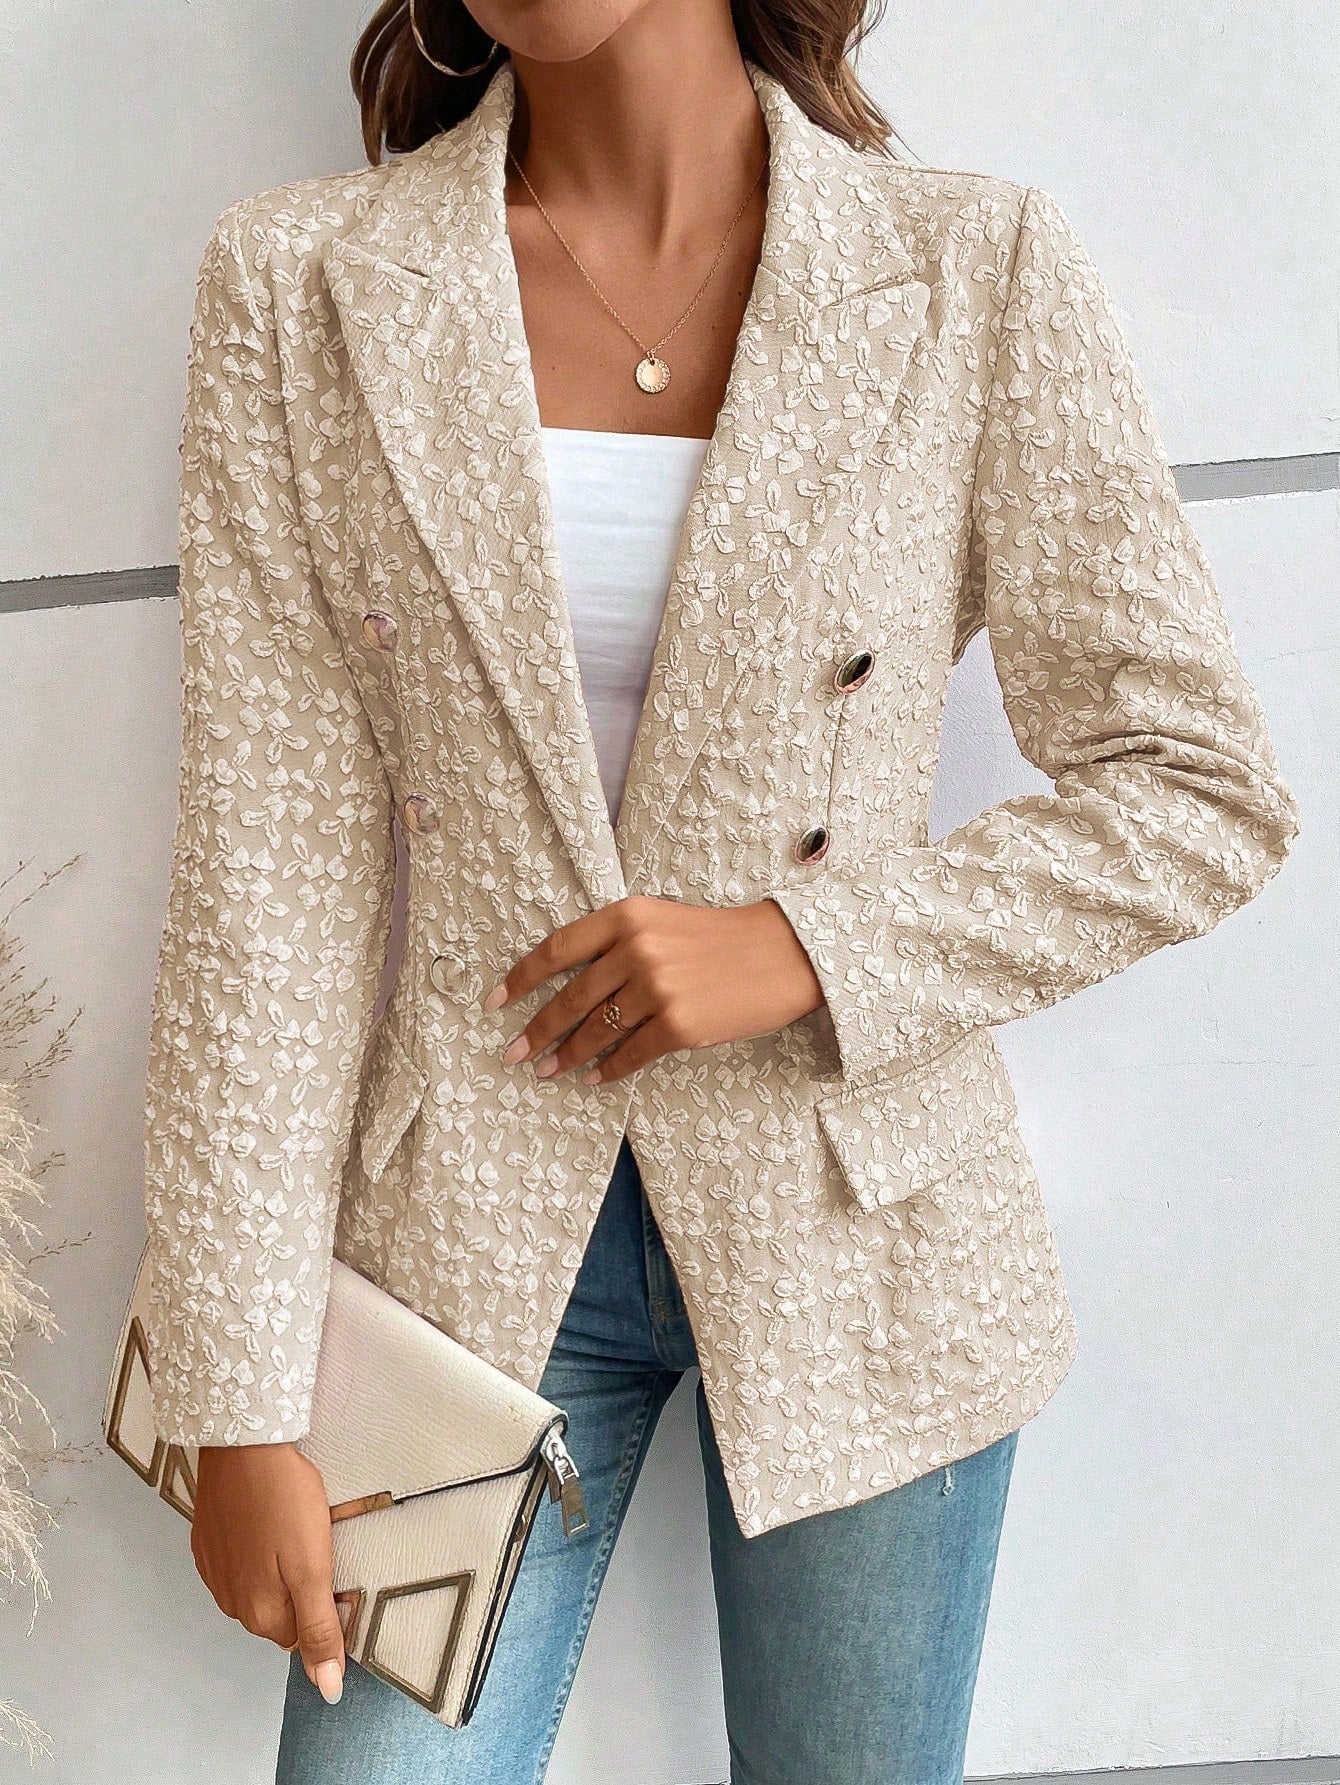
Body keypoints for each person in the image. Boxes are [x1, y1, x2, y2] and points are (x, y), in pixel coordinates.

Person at [140, 3, 1300, 1781]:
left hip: (864, 1226)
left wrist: (807, 949)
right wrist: (230, 1391)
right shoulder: (305, 286)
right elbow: (266, 877)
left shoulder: (970, 268)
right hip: (461, 1250)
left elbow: (1197, 786)